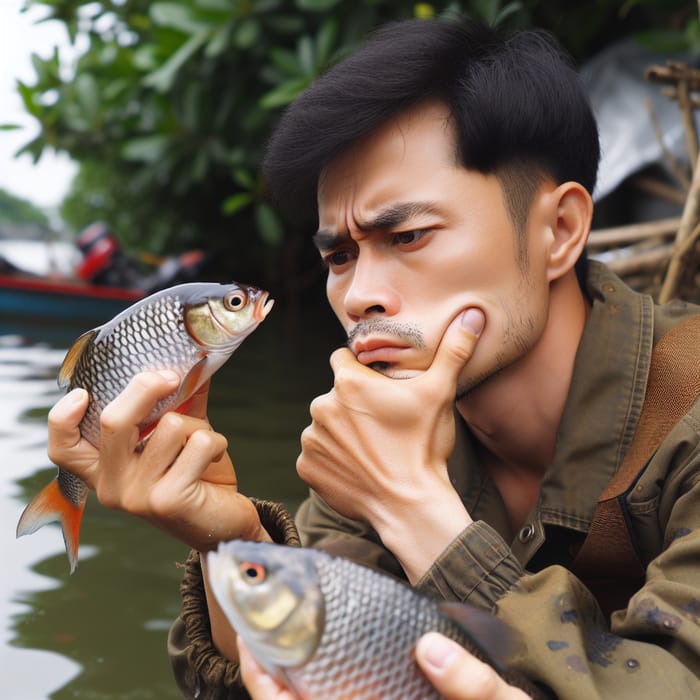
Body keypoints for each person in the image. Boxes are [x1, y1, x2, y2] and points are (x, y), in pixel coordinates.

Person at [46, 17, 700, 700]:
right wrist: (230, 541)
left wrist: (414, 508)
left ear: (559, 231)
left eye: (409, 235)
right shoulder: (366, 444)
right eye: (339, 256)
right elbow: (307, 674)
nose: (359, 297)